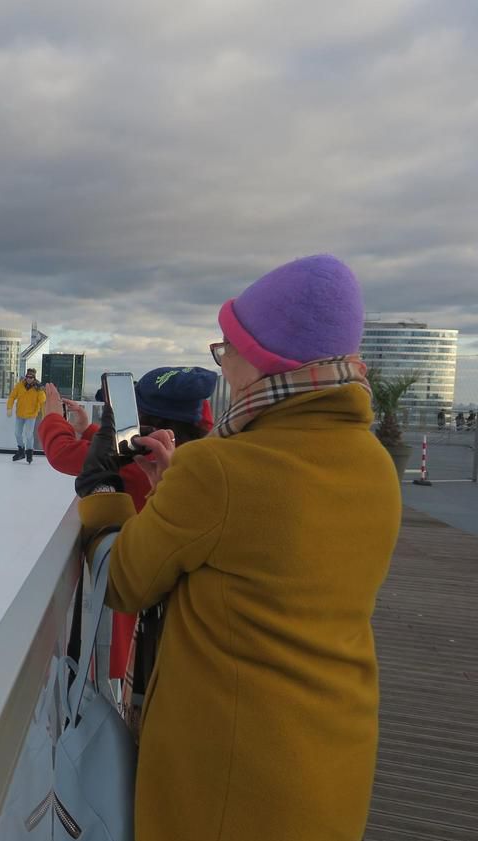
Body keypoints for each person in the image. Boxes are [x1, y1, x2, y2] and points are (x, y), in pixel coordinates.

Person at [74, 255, 400, 841]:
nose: (223, 365)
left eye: (227, 350)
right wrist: (183, 482)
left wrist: (101, 487)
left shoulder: (220, 472)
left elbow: (124, 580)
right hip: (330, 755)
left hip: (229, 776)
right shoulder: (373, 464)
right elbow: (263, 545)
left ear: (266, 363)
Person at [38, 367, 216, 684]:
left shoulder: (143, 459)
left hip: (129, 604)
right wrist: (90, 429)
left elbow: (64, 454)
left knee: (112, 670)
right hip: (166, 609)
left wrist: (52, 417)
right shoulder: (192, 454)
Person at [6, 368, 46, 463]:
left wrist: (44, 415)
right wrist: (9, 407)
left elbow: (43, 402)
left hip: (31, 415)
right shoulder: (20, 385)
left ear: (34, 378)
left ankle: (29, 452)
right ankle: (21, 450)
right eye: (27, 377)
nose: (29, 379)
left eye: (31, 377)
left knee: (28, 435)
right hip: (20, 414)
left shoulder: (38, 388)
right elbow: (12, 396)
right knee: (17, 433)